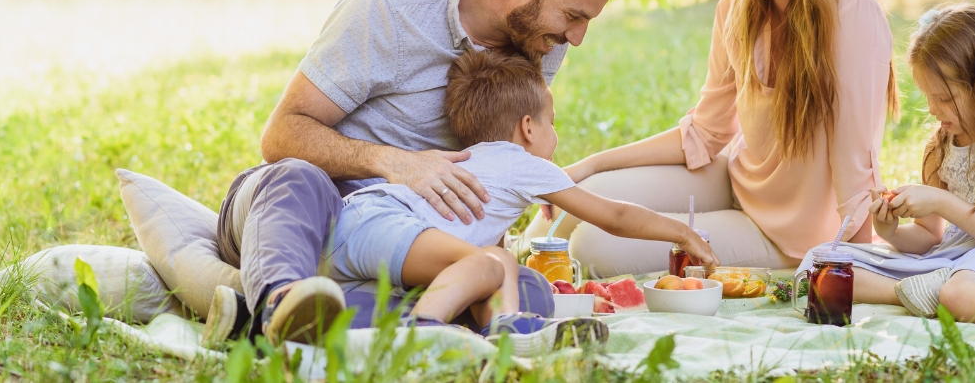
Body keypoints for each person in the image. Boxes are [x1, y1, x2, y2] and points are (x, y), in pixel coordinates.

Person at [206, 0, 626, 345]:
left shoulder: (540, 39)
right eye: (574, 16)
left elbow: (496, 160)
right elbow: (281, 136)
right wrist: (395, 162)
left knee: (526, 293)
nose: (576, 38)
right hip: (307, 214)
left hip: (408, 240)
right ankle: (278, 301)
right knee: (297, 177)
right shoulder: (387, 9)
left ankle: (278, 323)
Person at [523, 0, 899, 276]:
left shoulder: (851, 9)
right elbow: (705, 131)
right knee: (584, 195)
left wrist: (854, 267)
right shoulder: (739, 2)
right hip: (736, 181)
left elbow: (855, 159)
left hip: (792, 233)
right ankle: (507, 255)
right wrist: (592, 164)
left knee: (594, 248)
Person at [308, 50, 719, 355]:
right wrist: (681, 232)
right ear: (527, 127)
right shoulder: (520, 162)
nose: (555, 136)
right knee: (485, 264)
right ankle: (423, 337)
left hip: (354, 230)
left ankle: (506, 333)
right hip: (382, 224)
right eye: (552, 123)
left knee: (499, 261)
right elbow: (614, 216)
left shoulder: (482, 160)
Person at [804, 4, 975, 338]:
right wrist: (889, 231)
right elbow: (929, 236)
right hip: (954, 257)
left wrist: (939, 202)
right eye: (928, 96)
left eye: (944, 97)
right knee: (819, 263)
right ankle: (916, 290)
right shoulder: (941, 147)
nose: (932, 109)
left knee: (959, 294)